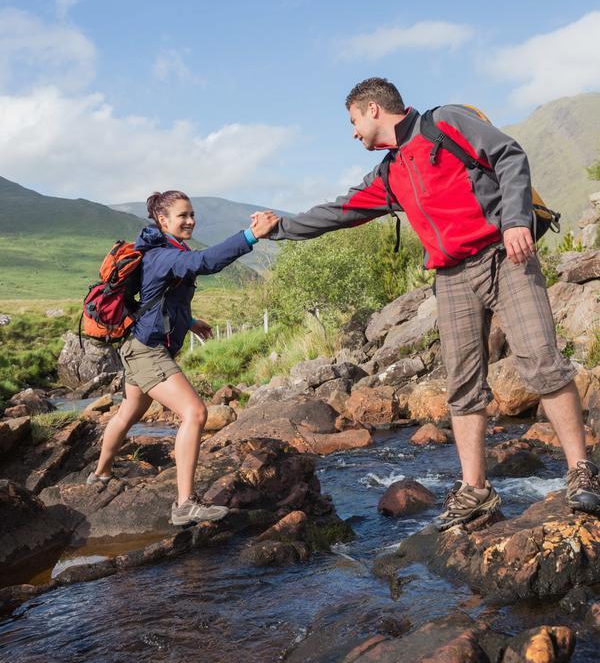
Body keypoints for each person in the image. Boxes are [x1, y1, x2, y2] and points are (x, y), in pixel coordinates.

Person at [264, 77, 600, 530]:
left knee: (542, 363)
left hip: (505, 256)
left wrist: (517, 220)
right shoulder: (388, 173)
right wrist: (280, 226)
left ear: (373, 110)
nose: (353, 132)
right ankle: (476, 490)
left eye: (353, 121)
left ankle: (581, 471)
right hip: (450, 277)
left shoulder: (444, 123)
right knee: (463, 386)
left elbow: (510, 155)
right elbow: (339, 212)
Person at [87, 189, 279, 526]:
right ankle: (185, 504)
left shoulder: (168, 250)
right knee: (195, 412)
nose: (190, 221)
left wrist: (189, 321)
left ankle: (99, 475)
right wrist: (251, 235)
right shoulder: (163, 255)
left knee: (128, 413)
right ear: (163, 221)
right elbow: (205, 263)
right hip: (147, 351)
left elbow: (158, 299)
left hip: (139, 345)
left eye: (192, 215)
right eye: (182, 216)